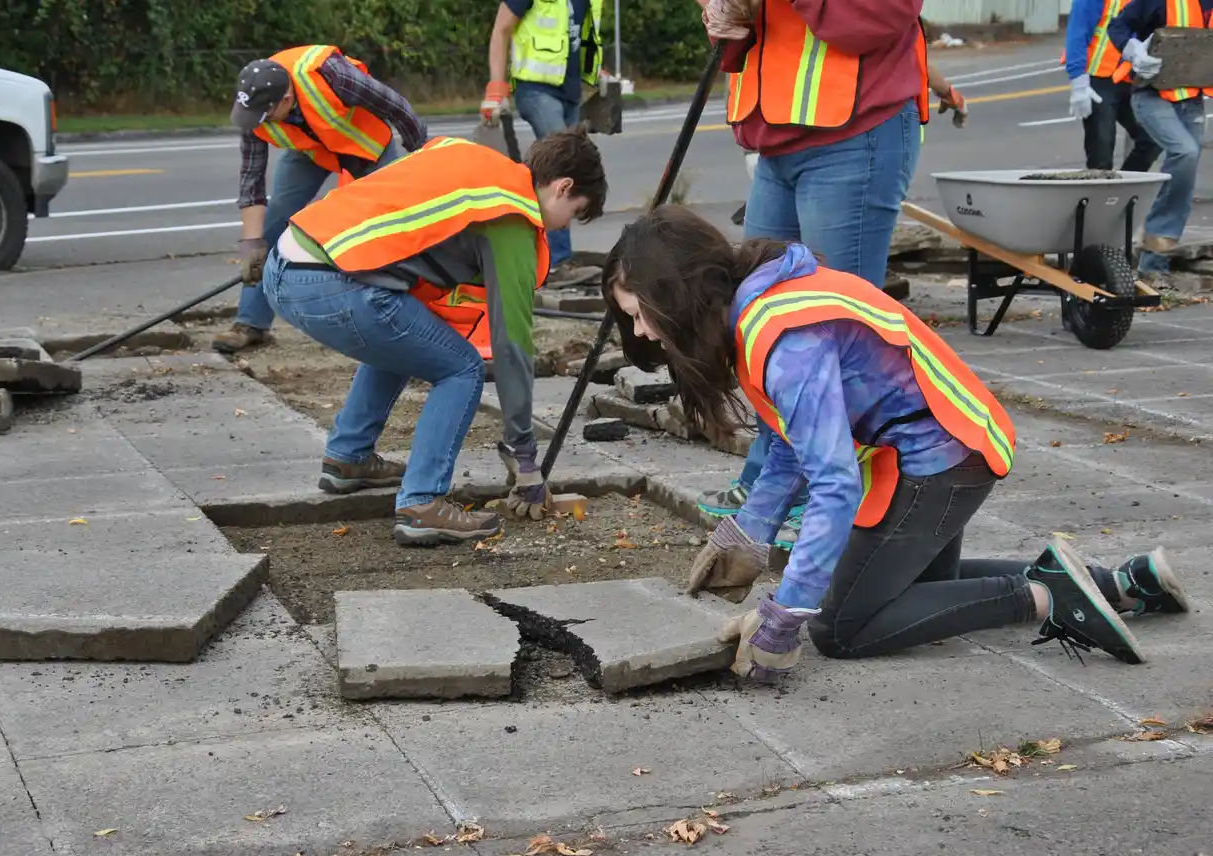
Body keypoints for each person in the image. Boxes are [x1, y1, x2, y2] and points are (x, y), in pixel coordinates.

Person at [602, 205, 1190, 680]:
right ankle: (1125, 584)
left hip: (939, 461)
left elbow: (833, 482)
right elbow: (788, 444)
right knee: (917, 595)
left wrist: (785, 617)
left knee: (843, 628)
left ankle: (1047, 598)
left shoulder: (781, 340)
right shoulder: (765, 300)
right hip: (949, 442)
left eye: (640, 314)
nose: (643, 332)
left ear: (676, 295)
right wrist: (748, 534)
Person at [260, 126, 607, 546]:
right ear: (562, 187)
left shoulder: (472, 160)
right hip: (332, 284)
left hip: (285, 266)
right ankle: (422, 504)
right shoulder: (511, 216)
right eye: (574, 212)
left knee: (409, 337)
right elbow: (512, 345)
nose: (563, 225)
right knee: (461, 367)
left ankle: (348, 458)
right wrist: (524, 452)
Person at [693, 0, 938, 544]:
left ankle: (835, 498)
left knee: (835, 337)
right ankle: (770, 484)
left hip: (853, 132)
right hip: (779, 136)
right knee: (759, 324)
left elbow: (879, 17)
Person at [214, 46, 429, 355]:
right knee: (273, 223)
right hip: (312, 151)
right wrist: (252, 245)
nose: (260, 123)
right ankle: (250, 324)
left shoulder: (334, 76)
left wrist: (421, 155)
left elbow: (398, 108)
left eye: (266, 116)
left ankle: (413, 319)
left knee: (389, 227)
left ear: (285, 99)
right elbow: (251, 179)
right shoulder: (255, 111)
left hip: (366, 146)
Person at [482, 0, 605, 286]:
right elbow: (501, 29)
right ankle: (555, 262)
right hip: (536, 89)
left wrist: (598, 72)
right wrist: (496, 87)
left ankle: (543, 255)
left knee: (560, 170)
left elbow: (576, 38)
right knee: (566, 168)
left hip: (570, 91)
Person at [1106, 0, 1211, 283]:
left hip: (1191, 100)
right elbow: (1117, 26)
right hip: (1151, 96)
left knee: (1183, 177)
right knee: (1185, 152)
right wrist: (1134, 50)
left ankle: (1154, 263)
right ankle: (1151, 256)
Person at [1064, 0, 1161, 172]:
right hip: (1099, 79)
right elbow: (1078, 31)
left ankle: (1124, 184)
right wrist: (1078, 80)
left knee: (1154, 138)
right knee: (1101, 157)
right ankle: (1102, 188)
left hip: (1134, 79)